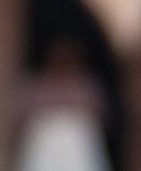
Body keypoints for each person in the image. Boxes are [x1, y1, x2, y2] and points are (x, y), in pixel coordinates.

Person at [15, 36, 112, 171]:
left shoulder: (87, 84)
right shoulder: (37, 83)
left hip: (78, 146)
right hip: (44, 145)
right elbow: (20, 116)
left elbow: (102, 116)